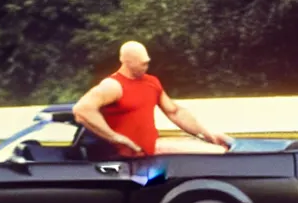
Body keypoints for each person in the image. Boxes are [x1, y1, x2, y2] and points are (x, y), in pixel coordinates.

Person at [72, 41, 232, 157]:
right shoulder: (113, 86)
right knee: (217, 154)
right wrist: (114, 136)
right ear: (127, 62)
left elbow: (174, 112)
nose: (146, 66)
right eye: (143, 64)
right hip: (132, 156)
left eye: (147, 63)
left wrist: (206, 132)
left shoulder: (151, 82)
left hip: (151, 148)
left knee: (216, 146)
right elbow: (82, 110)